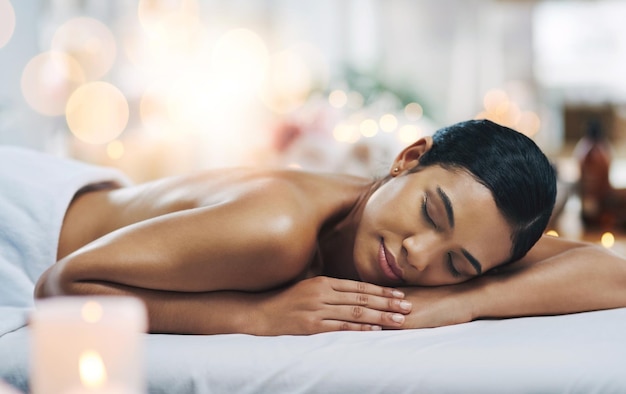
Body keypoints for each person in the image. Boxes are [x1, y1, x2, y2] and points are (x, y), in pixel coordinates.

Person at [32, 119, 626, 336]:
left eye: (459, 264)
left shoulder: (468, 245)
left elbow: (612, 273)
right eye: (430, 213)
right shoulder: (278, 230)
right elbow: (61, 288)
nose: (421, 257)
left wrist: (467, 302)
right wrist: (253, 317)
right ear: (408, 158)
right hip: (31, 223)